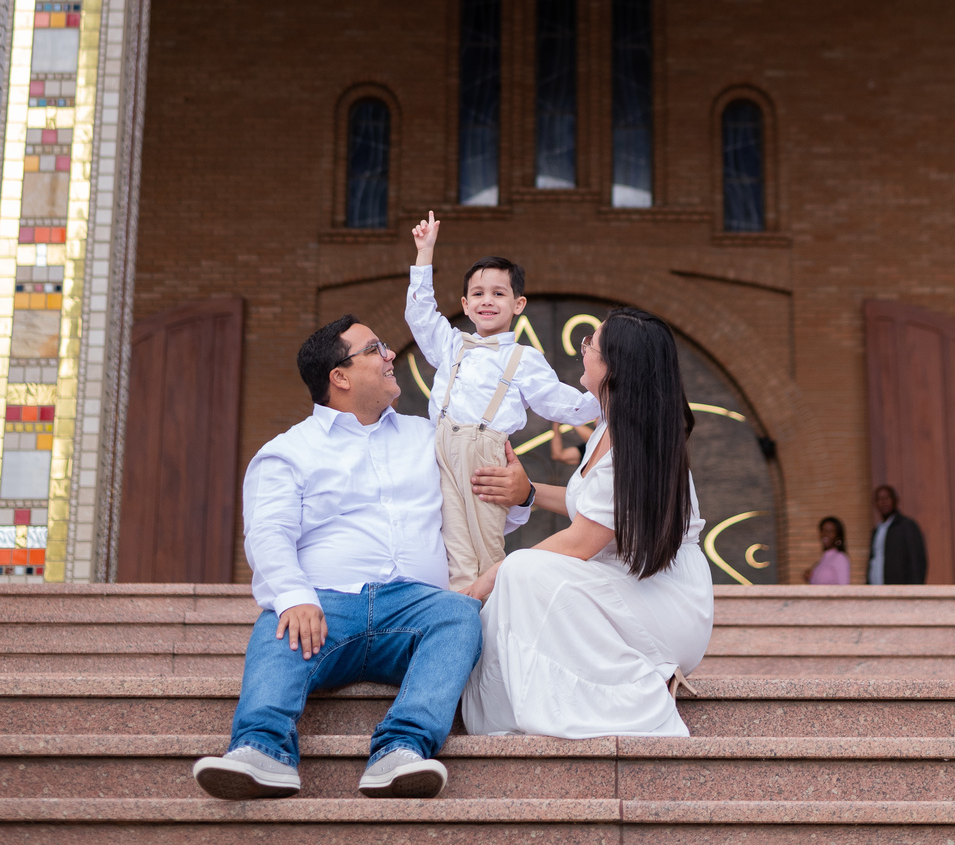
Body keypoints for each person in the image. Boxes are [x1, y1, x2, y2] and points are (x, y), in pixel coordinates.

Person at [191, 312, 532, 802]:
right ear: (341, 377)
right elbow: (268, 534)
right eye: (375, 349)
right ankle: (261, 750)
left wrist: (520, 496)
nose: (391, 355)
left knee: (459, 615)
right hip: (326, 608)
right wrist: (294, 596)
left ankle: (401, 750)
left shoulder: (429, 437)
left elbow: (477, 509)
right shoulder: (287, 451)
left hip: (416, 608)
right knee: (278, 623)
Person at [461, 306, 714, 738]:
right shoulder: (609, 427)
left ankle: (633, 692)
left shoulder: (635, 443)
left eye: (589, 344)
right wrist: (528, 492)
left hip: (662, 599)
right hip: (626, 585)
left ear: (613, 366)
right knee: (523, 576)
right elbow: (594, 509)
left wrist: (488, 578)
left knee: (523, 572)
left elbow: (581, 542)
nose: (582, 351)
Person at [406, 212, 602, 590]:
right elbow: (420, 314)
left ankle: (492, 612)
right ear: (465, 304)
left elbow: (563, 403)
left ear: (518, 304)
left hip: (484, 455)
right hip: (440, 449)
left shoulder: (524, 358)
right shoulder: (450, 344)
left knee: (485, 546)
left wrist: (608, 395)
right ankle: (461, 611)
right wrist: (424, 253)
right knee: (452, 549)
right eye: (478, 294)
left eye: (499, 293)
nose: (487, 301)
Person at [866, 484, 927, 584]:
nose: (883, 502)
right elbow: (873, 561)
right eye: (879, 499)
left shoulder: (907, 526)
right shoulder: (876, 530)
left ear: (895, 500)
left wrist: (915, 588)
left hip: (899, 589)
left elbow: (917, 560)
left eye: (887, 498)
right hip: (875, 588)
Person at [806, 515, 851, 584]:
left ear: (838, 535)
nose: (826, 534)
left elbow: (844, 586)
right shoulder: (823, 560)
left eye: (830, 531)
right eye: (823, 530)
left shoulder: (840, 557)